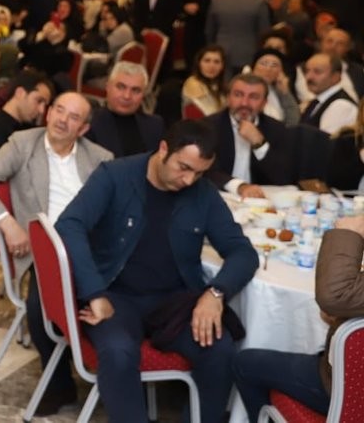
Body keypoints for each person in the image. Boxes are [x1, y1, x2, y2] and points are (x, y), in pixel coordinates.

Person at [55, 119, 257, 423]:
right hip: (116, 295)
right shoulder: (116, 175)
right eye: (183, 167)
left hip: (174, 302)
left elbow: (242, 251)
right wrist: (94, 292)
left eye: (199, 173)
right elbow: (70, 225)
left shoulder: (203, 193)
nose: (189, 180)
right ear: (163, 149)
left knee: (220, 350)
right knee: (118, 352)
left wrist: (216, 293)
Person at [0, 92, 112, 414]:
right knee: (40, 306)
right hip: (45, 250)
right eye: (59, 110)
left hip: (90, 249)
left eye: (74, 117)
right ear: (48, 113)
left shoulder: (100, 158)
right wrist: (8, 224)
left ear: (83, 129)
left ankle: (115, 371)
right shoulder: (23, 144)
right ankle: (59, 385)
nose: (63, 120)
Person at [232, 211, 364, 419]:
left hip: (348, 388)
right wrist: (343, 313)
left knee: (244, 364)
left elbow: (334, 294)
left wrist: (349, 231)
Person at [205, 73, 293, 198]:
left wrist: (259, 144)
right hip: (220, 196)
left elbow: (283, 177)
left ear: (264, 103)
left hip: (260, 199)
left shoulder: (276, 129)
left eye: (254, 97)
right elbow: (205, 170)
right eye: (238, 95)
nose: (244, 103)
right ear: (228, 98)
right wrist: (240, 186)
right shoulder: (208, 126)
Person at [0, 71, 53, 168]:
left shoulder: (28, 129)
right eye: (39, 101)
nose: (42, 110)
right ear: (20, 93)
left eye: (45, 105)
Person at [85, 61, 165, 158]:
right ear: (107, 87)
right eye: (121, 87)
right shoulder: (90, 123)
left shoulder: (155, 125)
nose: (127, 96)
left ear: (143, 94)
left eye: (135, 90)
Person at [206, 0, 271, 73]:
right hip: (249, 54)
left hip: (221, 53)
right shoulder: (258, 2)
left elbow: (209, 31)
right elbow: (264, 33)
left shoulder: (217, 1)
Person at [300, 53, 359, 136]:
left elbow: (325, 141)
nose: (309, 77)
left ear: (336, 76)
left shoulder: (340, 105)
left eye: (317, 72)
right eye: (307, 71)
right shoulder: (317, 101)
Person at [252, 47, 300, 125]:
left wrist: (285, 92)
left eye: (274, 65)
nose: (268, 69)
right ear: (253, 68)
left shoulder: (278, 92)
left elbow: (293, 122)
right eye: (263, 64)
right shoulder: (245, 89)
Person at [181, 45, 227, 116]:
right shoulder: (193, 83)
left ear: (222, 66)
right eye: (207, 61)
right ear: (199, 64)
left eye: (217, 62)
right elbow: (209, 114)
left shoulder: (219, 85)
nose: (211, 66)